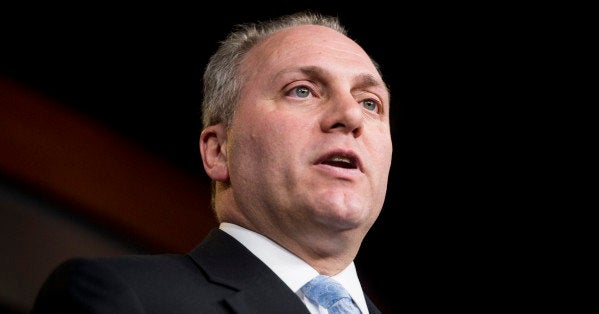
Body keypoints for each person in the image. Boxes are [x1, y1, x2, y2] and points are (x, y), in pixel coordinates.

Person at [32, 10, 392, 314]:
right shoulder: (125, 299)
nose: (350, 115)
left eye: (370, 102)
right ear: (219, 151)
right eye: (302, 90)